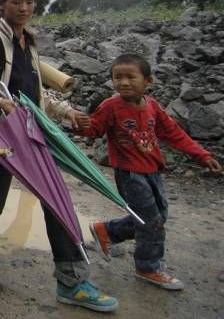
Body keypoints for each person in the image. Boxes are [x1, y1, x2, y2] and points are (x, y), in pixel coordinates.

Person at [0, 0, 118, 312]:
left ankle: (71, 280)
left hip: (31, 130)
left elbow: (35, 93)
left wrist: (66, 111)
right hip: (1, 134)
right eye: (17, 2)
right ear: (1, 4)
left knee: (56, 198)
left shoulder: (29, 41)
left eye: (29, 2)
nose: (25, 8)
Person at [79, 53, 222, 291]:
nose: (123, 82)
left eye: (130, 77)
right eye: (117, 77)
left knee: (159, 216)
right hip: (129, 173)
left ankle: (107, 231)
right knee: (151, 221)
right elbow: (94, 129)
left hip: (153, 171)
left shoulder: (153, 107)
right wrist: (79, 122)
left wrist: (201, 154)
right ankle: (148, 267)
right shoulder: (111, 106)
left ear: (148, 81)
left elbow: (174, 133)